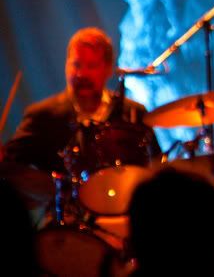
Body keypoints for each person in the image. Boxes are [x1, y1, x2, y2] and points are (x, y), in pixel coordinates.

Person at [1, 27, 161, 225]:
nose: (81, 74)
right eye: (76, 64)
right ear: (66, 65)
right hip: (65, 223)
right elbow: (11, 165)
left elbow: (156, 168)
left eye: (91, 66)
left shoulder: (133, 113)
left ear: (108, 69)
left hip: (126, 219)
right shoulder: (43, 115)